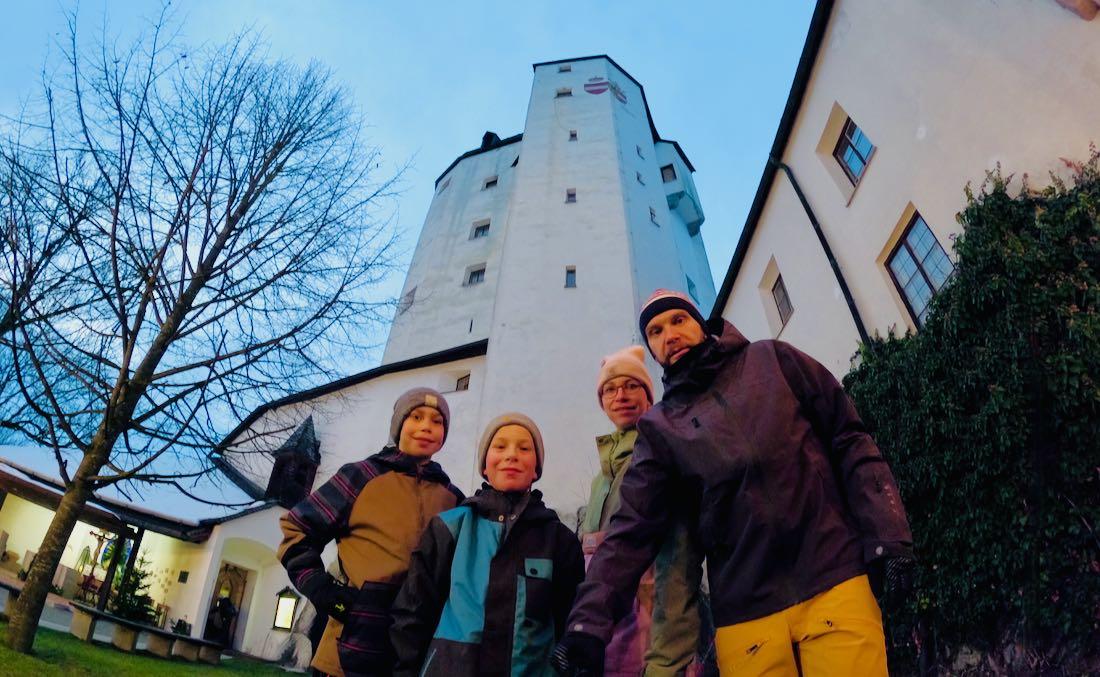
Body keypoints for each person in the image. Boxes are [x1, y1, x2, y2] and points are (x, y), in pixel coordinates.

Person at [554, 290, 914, 676]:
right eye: (655, 332)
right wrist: (587, 623)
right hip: (746, 618)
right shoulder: (659, 429)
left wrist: (887, 535)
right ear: (652, 350)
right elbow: (631, 530)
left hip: (833, 580)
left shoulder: (774, 360)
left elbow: (849, 440)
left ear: (700, 323)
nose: (669, 335)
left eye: (678, 320)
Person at [278, 387, 463, 677]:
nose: (426, 426)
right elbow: (298, 529)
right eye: (416, 417)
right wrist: (321, 589)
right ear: (399, 425)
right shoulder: (361, 475)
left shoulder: (453, 498)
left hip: (413, 651)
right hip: (347, 646)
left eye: (437, 421)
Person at [390, 413, 585, 676]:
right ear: (484, 465)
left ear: (536, 469)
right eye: (500, 446)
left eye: (524, 448)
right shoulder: (450, 528)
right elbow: (413, 613)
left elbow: (570, 625)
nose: (511, 455)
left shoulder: (560, 540)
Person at [583, 346, 706, 676]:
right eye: (610, 389)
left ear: (649, 396)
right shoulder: (600, 480)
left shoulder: (663, 456)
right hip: (609, 637)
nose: (620, 396)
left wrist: (668, 657)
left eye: (631, 385)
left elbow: (679, 561)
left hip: (656, 637)